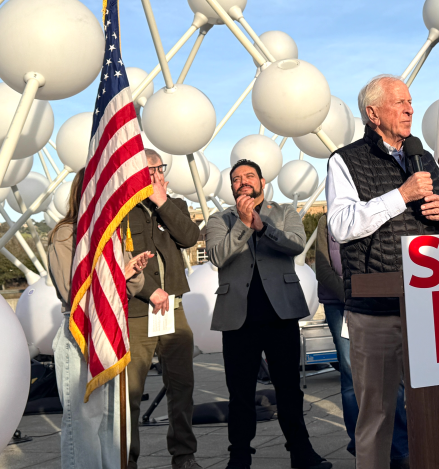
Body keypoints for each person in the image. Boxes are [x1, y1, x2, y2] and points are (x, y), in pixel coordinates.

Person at [326, 75, 439, 469]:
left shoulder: (425, 158)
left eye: (410, 101)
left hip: (431, 303)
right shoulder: (345, 160)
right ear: (373, 113)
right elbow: (341, 225)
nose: (410, 109)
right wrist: (401, 195)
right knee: (377, 414)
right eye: (400, 102)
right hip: (376, 310)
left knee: (435, 410)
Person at [206, 159, 331, 469]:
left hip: (281, 314)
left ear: (262, 181)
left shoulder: (284, 212)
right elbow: (217, 256)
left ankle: (301, 453)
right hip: (238, 318)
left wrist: (262, 226)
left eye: (250, 176)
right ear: (232, 186)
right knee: (240, 392)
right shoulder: (219, 219)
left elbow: (295, 245)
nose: (243, 181)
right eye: (237, 178)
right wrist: (243, 225)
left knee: (289, 388)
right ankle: (239, 457)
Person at [49, 168, 153, 469]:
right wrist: (117, 274)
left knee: (112, 423)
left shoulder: (112, 233)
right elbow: (73, 291)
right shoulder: (66, 234)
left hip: (109, 330)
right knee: (82, 423)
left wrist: (130, 269)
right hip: (80, 331)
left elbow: (129, 286)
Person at [315, 213, 410, 469]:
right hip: (341, 304)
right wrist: (351, 294)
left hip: (380, 301)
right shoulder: (328, 219)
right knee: (350, 377)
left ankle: (399, 449)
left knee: (392, 378)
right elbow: (322, 266)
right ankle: (361, 446)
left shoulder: (380, 210)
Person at [126, 150, 202, 469]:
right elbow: (120, 261)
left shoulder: (176, 206)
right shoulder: (123, 212)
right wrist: (147, 290)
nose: (156, 174)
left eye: (159, 168)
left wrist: (162, 202)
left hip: (173, 307)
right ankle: (126, 459)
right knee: (131, 392)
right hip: (136, 310)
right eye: (149, 169)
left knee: (182, 385)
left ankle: (183, 455)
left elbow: (189, 237)